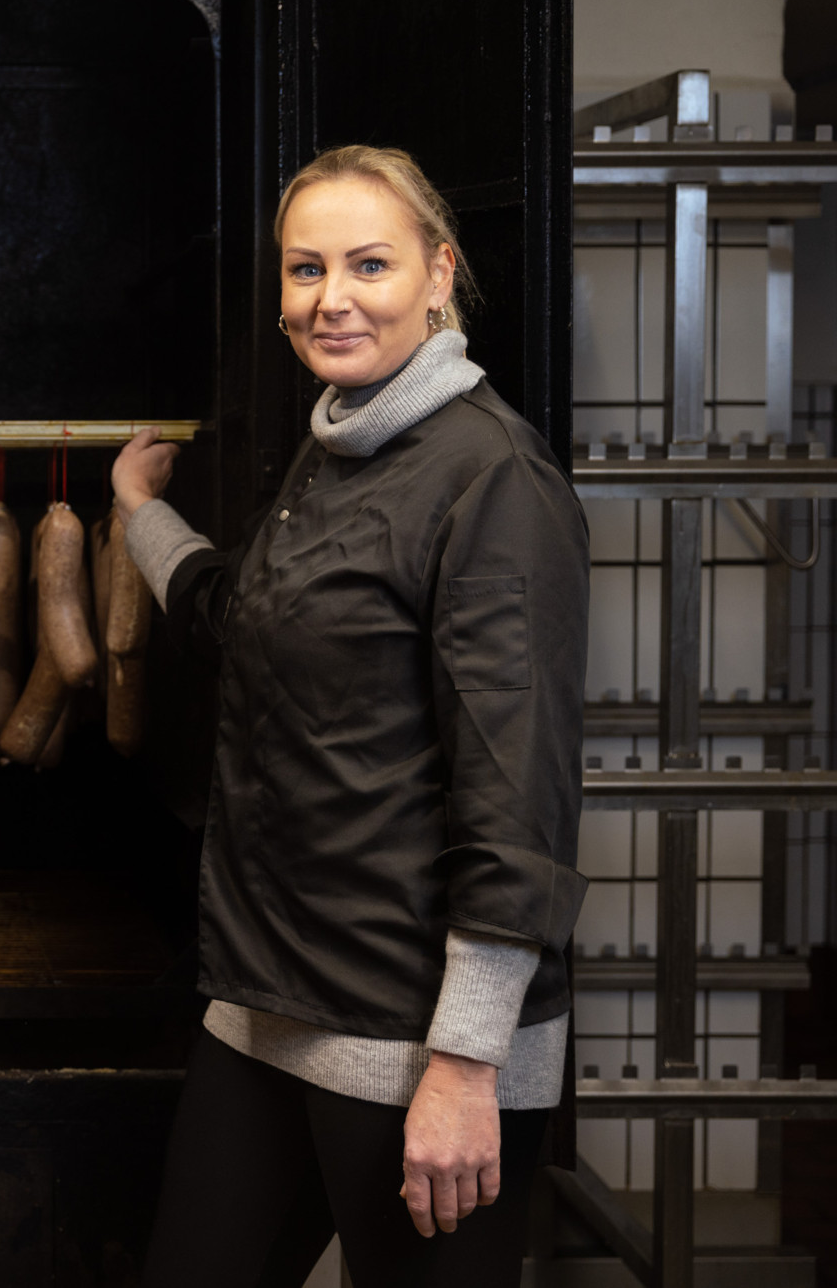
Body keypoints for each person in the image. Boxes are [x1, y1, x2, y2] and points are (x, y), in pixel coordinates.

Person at [116, 145, 588, 1287]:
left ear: (438, 274)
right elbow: (239, 613)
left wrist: (467, 1063)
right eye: (303, 268)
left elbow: (511, 788)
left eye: (367, 264)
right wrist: (136, 512)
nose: (330, 298)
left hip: (411, 1038)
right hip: (265, 1005)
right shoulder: (336, 445)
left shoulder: (490, 480)